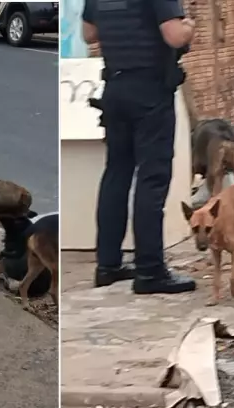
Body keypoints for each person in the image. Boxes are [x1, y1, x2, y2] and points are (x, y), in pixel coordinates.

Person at [82, 0, 198, 294]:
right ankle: (150, 271)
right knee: (152, 178)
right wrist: (189, 27)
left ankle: (108, 265)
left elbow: (88, 33)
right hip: (150, 91)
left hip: (115, 88)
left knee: (116, 173)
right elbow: (174, 36)